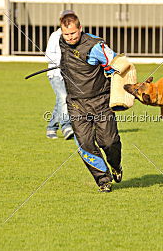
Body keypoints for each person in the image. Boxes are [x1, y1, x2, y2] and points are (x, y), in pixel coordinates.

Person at [59, 12, 123, 193]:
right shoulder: (60, 41)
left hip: (100, 100)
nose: (70, 38)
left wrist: (112, 71)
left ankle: (116, 165)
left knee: (109, 142)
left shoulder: (95, 46)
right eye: (66, 34)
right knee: (85, 144)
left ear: (80, 28)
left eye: (74, 33)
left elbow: (117, 63)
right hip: (76, 104)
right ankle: (103, 180)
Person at [44, 11, 75, 140]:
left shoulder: (75, 37)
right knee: (63, 98)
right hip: (56, 73)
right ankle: (66, 127)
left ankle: (51, 128)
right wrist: (63, 62)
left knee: (61, 101)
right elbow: (49, 55)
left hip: (70, 74)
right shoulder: (55, 36)